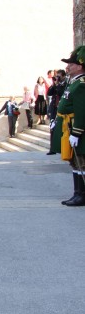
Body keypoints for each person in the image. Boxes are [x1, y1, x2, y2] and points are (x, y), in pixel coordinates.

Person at [50, 47, 85, 206]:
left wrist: (76, 133)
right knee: (74, 162)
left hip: (78, 130)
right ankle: (77, 193)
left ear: (80, 66)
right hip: (68, 127)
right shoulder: (74, 82)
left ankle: (82, 195)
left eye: (71, 64)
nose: (67, 67)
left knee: (81, 162)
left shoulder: (81, 84)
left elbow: (82, 111)